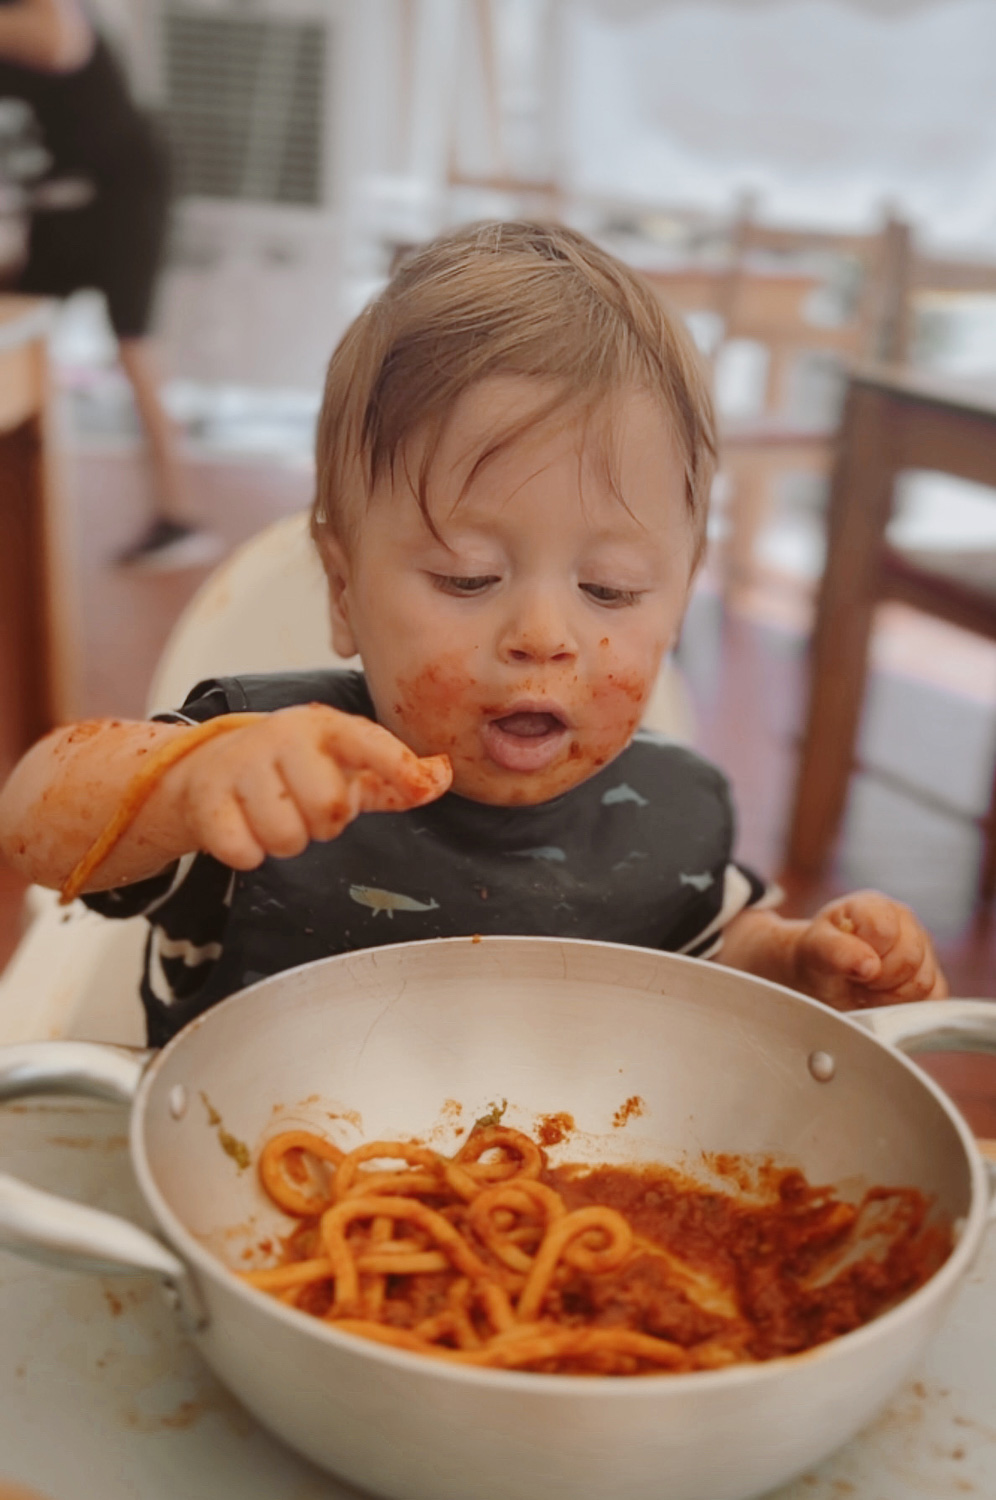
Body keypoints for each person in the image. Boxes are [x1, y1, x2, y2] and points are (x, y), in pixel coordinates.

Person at [0, 221, 946, 1046]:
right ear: (343, 588)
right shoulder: (264, 767)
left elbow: (708, 955)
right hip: (243, 1199)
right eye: (469, 578)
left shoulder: (676, 808)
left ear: (680, 598)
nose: (542, 635)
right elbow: (34, 826)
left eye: (611, 591)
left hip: (553, 1214)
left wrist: (798, 965)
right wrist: (186, 782)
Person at [0, 0, 220, 569]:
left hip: (124, 191)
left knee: (133, 341)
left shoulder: (43, 14)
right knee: (15, 324)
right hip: (56, 200)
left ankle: (178, 516)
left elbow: (57, 42)